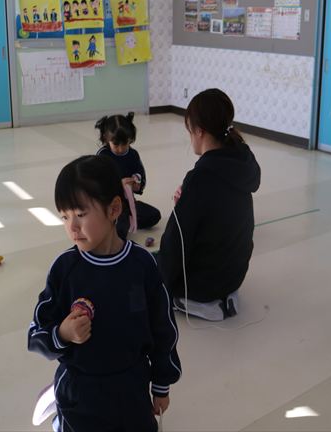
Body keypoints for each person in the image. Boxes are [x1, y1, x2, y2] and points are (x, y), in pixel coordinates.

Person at [27, 155, 181, 431]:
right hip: (80, 389)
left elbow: (163, 329)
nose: (72, 227)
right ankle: (59, 408)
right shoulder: (65, 269)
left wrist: (161, 384)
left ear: (114, 209)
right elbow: (36, 331)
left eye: (80, 214)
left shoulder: (142, 265)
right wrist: (62, 333)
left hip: (131, 384)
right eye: (65, 217)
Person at [158, 89, 261, 321]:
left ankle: (199, 303)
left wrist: (160, 282)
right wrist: (186, 201)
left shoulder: (199, 178)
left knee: (149, 265)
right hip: (234, 275)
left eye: (189, 131)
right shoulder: (242, 160)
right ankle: (223, 295)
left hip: (203, 284)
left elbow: (176, 242)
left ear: (199, 131)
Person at [95, 113, 161, 239]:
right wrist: (119, 184)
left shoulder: (133, 154)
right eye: (116, 144)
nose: (120, 149)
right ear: (106, 139)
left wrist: (137, 183)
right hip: (110, 205)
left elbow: (140, 174)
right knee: (120, 231)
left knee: (154, 215)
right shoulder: (103, 155)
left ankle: (125, 220)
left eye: (124, 144)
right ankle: (115, 221)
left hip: (127, 203)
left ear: (130, 139)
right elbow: (98, 184)